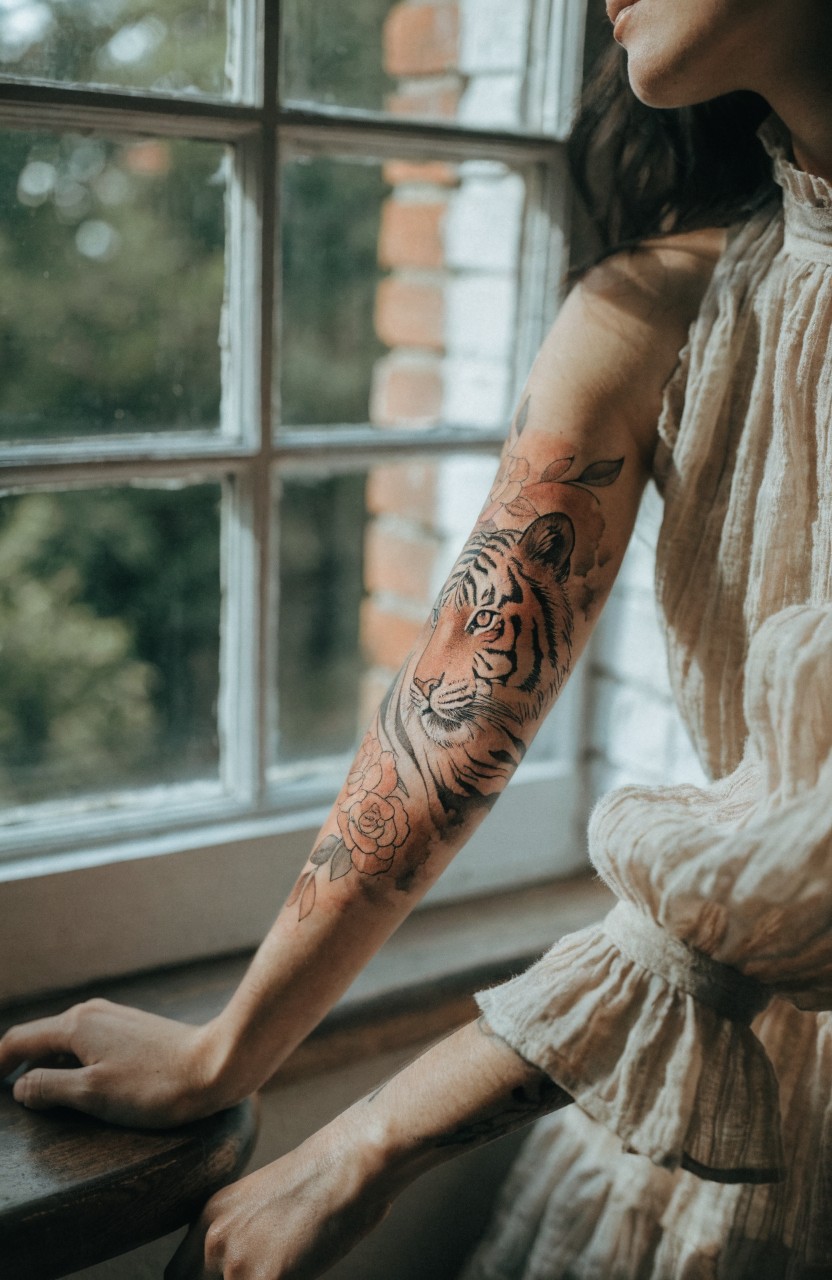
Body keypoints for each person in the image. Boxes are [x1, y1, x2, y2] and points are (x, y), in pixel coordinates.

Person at [3, 0, 832, 1274]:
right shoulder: (662, 302)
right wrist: (232, 1046)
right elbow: (465, 694)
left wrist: (365, 1137)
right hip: (711, 1118)